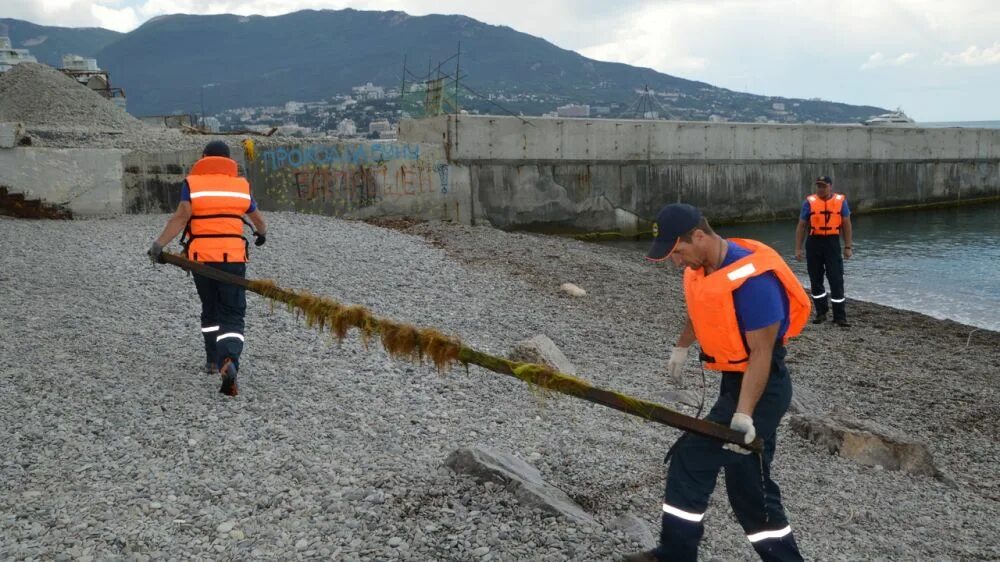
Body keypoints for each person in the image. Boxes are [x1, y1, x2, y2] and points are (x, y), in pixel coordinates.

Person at [623, 203, 810, 562]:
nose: (676, 261)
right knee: (749, 488)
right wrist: (681, 347)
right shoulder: (705, 267)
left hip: (762, 390)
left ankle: (675, 554)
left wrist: (744, 416)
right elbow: (703, 308)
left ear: (699, 235)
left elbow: (762, 354)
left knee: (692, 459)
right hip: (733, 384)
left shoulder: (754, 282)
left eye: (678, 251)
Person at [148, 140, 267, 396]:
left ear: (203, 158)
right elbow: (256, 218)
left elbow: (182, 216)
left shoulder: (192, 184)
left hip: (200, 258)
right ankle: (229, 360)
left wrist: (159, 244)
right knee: (233, 313)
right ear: (228, 161)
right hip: (233, 258)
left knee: (210, 308)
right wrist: (261, 233)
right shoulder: (240, 185)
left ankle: (212, 360)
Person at [795, 175, 853, 327]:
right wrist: (798, 248)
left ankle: (840, 316)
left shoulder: (841, 202)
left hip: (832, 243)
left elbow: (846, 223)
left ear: (830, 186)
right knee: (815, 278)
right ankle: (821, 312)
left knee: (836, 278)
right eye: (818, 186)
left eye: (823, 186)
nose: (820, 189)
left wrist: (848, 247)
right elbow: (801, 225)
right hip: (814, 243)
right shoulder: (809, 203)